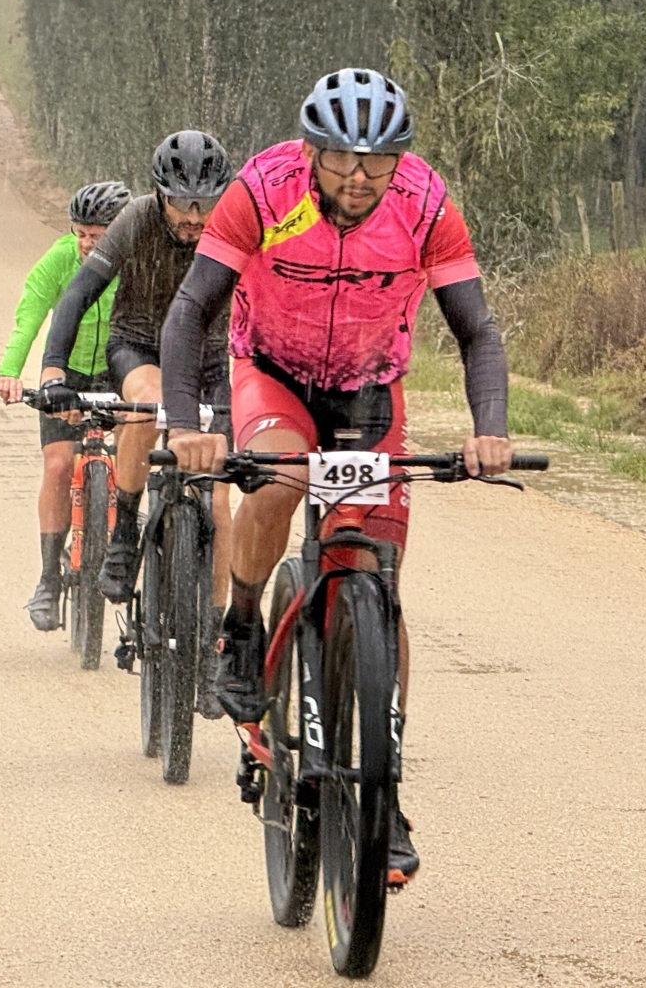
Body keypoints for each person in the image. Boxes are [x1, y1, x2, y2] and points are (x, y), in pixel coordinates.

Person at [160, 68, 513, 884]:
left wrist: (489, 430)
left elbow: (476, 329)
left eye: (377, 161)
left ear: (399, 161)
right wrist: (184, 426)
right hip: (272, 373)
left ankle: (384, 792)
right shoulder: (262, 190)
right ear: (311, 152)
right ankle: (241, 627)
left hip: (367, 390)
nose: (359, 177)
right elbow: (191, 310)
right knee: (281, 479)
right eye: (342, 158)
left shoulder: (425, 204)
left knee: (376, 578)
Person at [35, 133, 238, 679]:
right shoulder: (136, 219)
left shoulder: (235, 223)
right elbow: (79, 292)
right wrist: (53, 367)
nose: (194, 217)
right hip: (140, 346)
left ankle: (214, 634)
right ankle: (125, 530)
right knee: (146, 406)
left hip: (211, 360)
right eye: (182, 203)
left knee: (220, 499)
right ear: (159, 193)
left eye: (205, 203)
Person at [0, 181, 134, 631]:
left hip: (118, 369)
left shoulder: (136, 261)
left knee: (134, 457)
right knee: (57, 465)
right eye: (82, 234)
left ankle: (126, 542)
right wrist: (10, 371)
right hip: (66, 372)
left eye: (99, 235)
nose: (88, 244)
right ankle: (48, 579)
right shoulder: (58, 260)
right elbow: (30, 317)